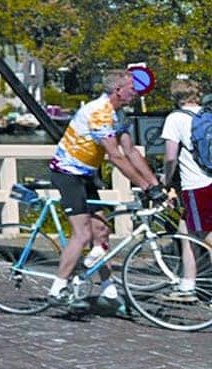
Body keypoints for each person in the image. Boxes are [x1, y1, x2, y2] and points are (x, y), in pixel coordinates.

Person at [47, 69, 166, 307]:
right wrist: (143, 186)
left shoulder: (118, 113)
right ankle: (57, 288)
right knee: (82, 234)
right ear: (117, 90)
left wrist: (154, 184)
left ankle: (108, 288)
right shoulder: (99, 112)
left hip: (87, 174)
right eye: (132, 88)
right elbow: (115, 156)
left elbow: (131, 151)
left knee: (101, 232)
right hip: (67, 173)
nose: (136, 92)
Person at [162, 78, 212, 302]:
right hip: (209, 180)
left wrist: (166, 179)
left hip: (196, 184)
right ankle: (187, 285)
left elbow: (171, 156)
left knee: (206, 237)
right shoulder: (207, 115)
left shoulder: (175, 118)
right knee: (186, 232)